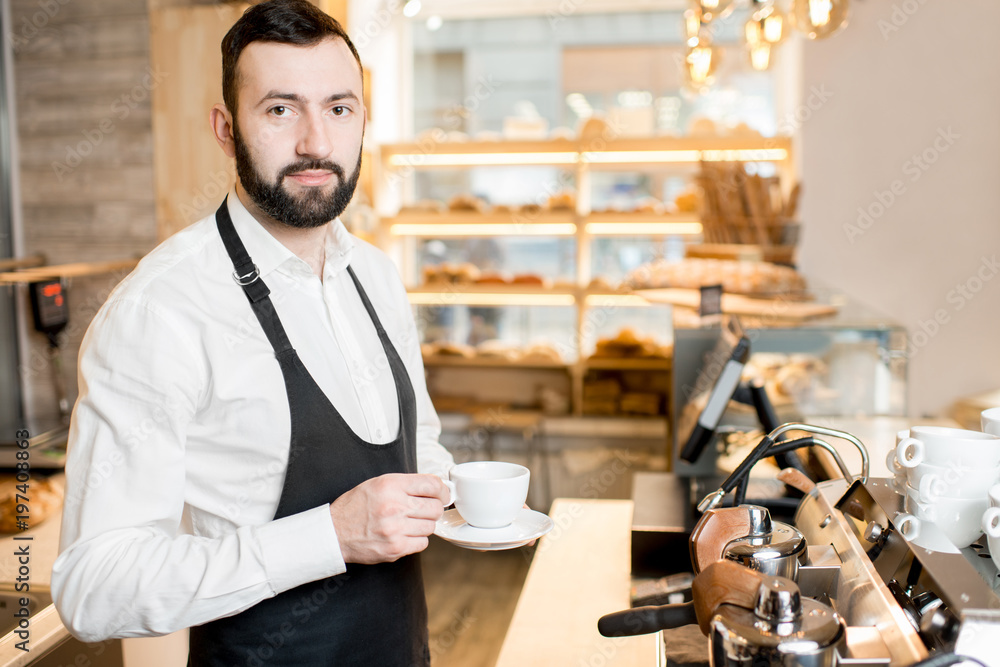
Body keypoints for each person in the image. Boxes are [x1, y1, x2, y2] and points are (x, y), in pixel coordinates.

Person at [51, 1, 455, 664]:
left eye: (339, 108)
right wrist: (331, 534)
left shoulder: (376, 276)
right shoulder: (162, 310)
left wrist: (454, 495)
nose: (315, 143)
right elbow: (93, 587)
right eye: (279, 109)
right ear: (226, 127)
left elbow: (424, 445)